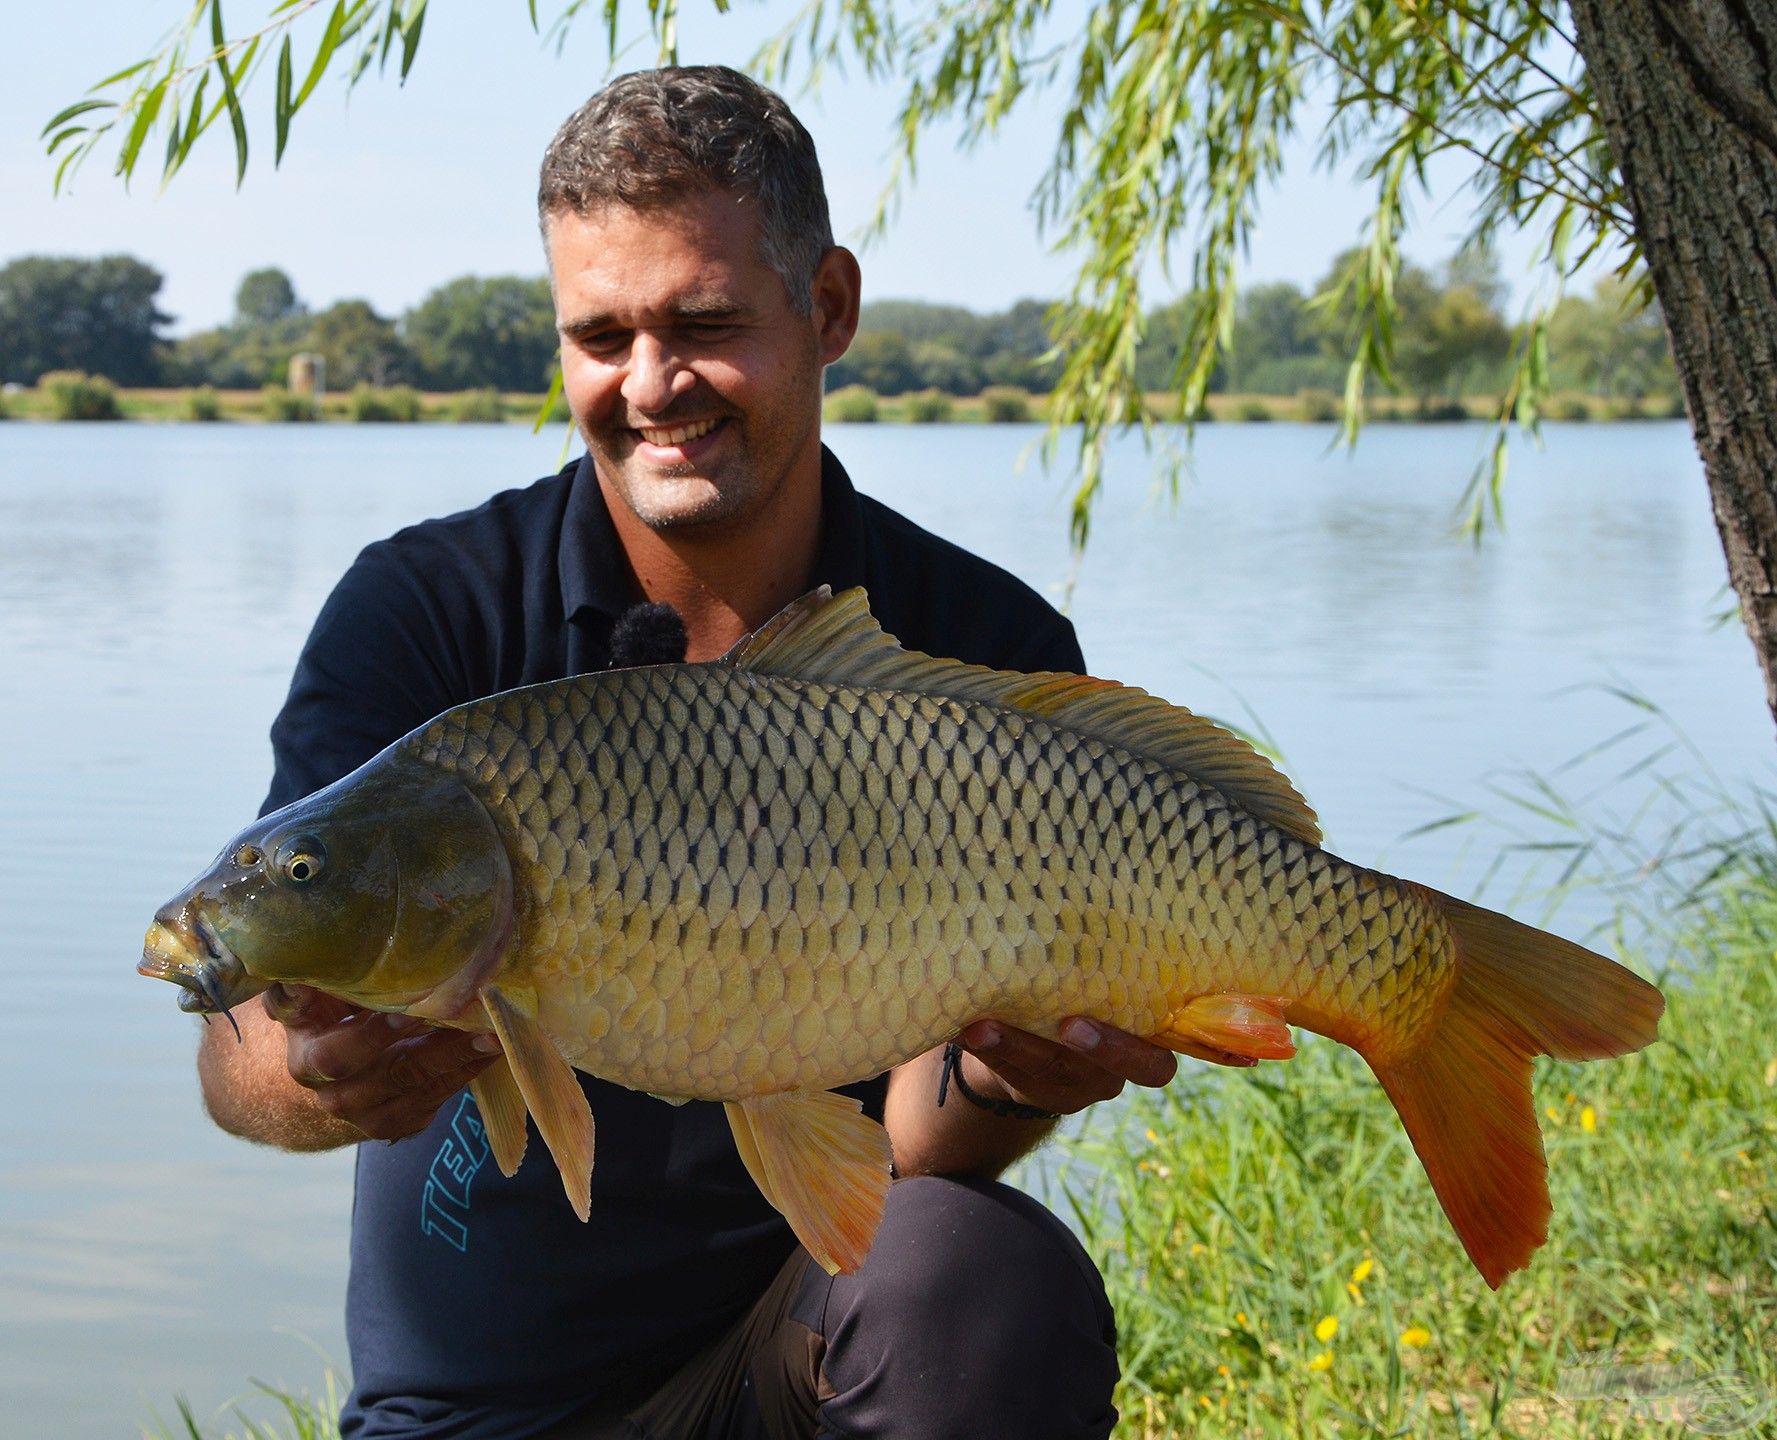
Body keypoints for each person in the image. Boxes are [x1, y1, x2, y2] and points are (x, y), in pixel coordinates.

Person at [196, 65, 1187, 1439]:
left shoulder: (973, 645)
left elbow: (915, 1144)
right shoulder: (428, 613)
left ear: (826, 307)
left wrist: (1004, 1075)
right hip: (477, 1409)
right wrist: (309, 1073)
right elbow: (238, 1038)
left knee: (975, 1279)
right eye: (598, 335)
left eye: (703, 323)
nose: (650, 386)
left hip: (795, 1345)